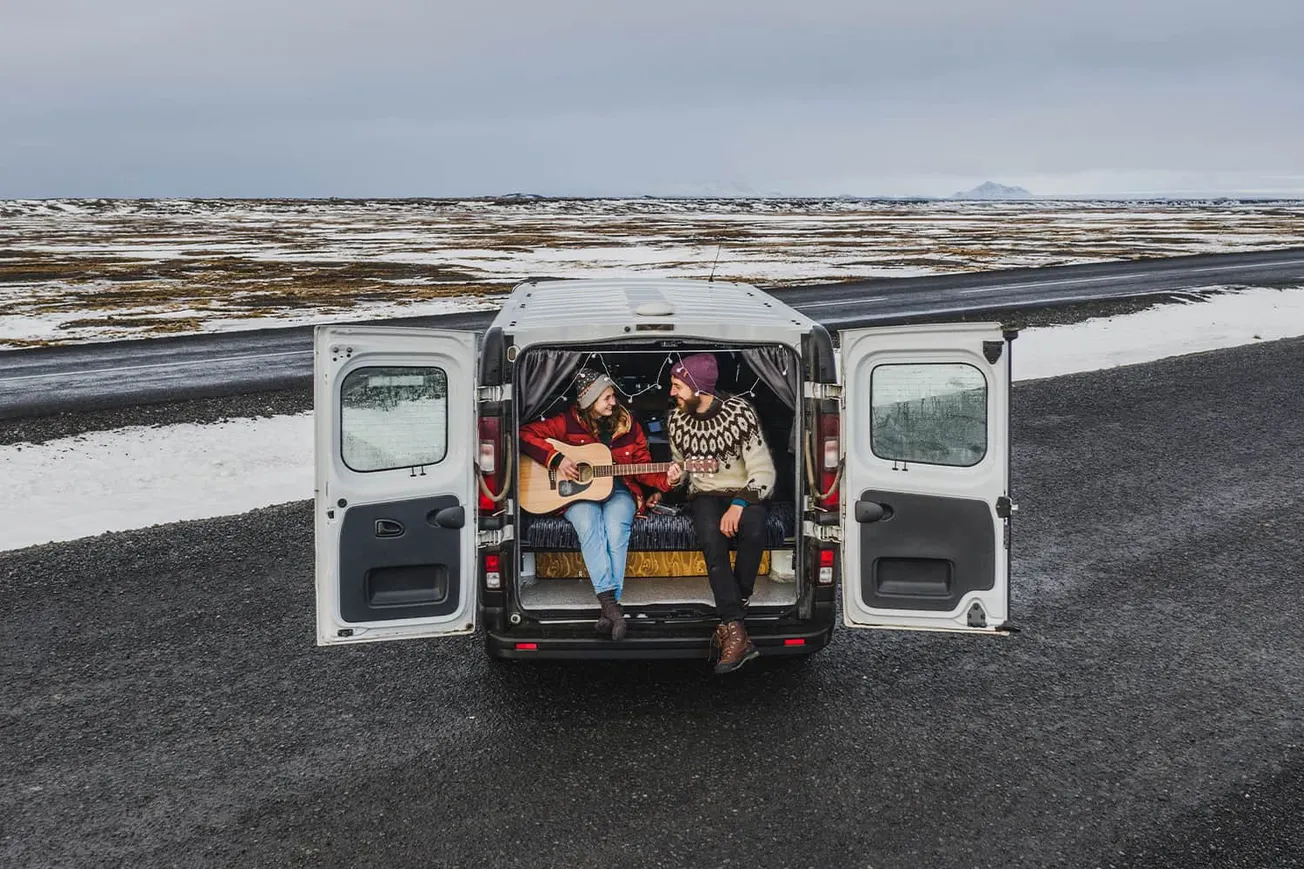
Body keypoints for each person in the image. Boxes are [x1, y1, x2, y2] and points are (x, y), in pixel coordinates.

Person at [519, 369, 671, 641]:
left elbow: (642, 466)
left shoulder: (628, 424)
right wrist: (556, 459)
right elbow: (524, 434)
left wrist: (666, 480)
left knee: (616, 531)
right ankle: (612, 607)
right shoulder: (566, 424)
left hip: (620, 490)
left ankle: (608, 610)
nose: (614, 402)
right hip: (575, 495)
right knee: (589, 525)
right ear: (589, 400)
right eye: (607, 397)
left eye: (613, 396)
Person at [664, 353, 776, 674]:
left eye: (677, 386)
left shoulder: (739, 415)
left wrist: (740, 505)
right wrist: (675, 478)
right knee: (712, 540)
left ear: (698, 387)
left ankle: (733, 612)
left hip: (746, 491)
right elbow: (683, 472)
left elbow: (763, 473)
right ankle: (735, 628)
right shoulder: (677, 420)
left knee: (754, 531)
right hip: (705, 495)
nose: (672, 393)